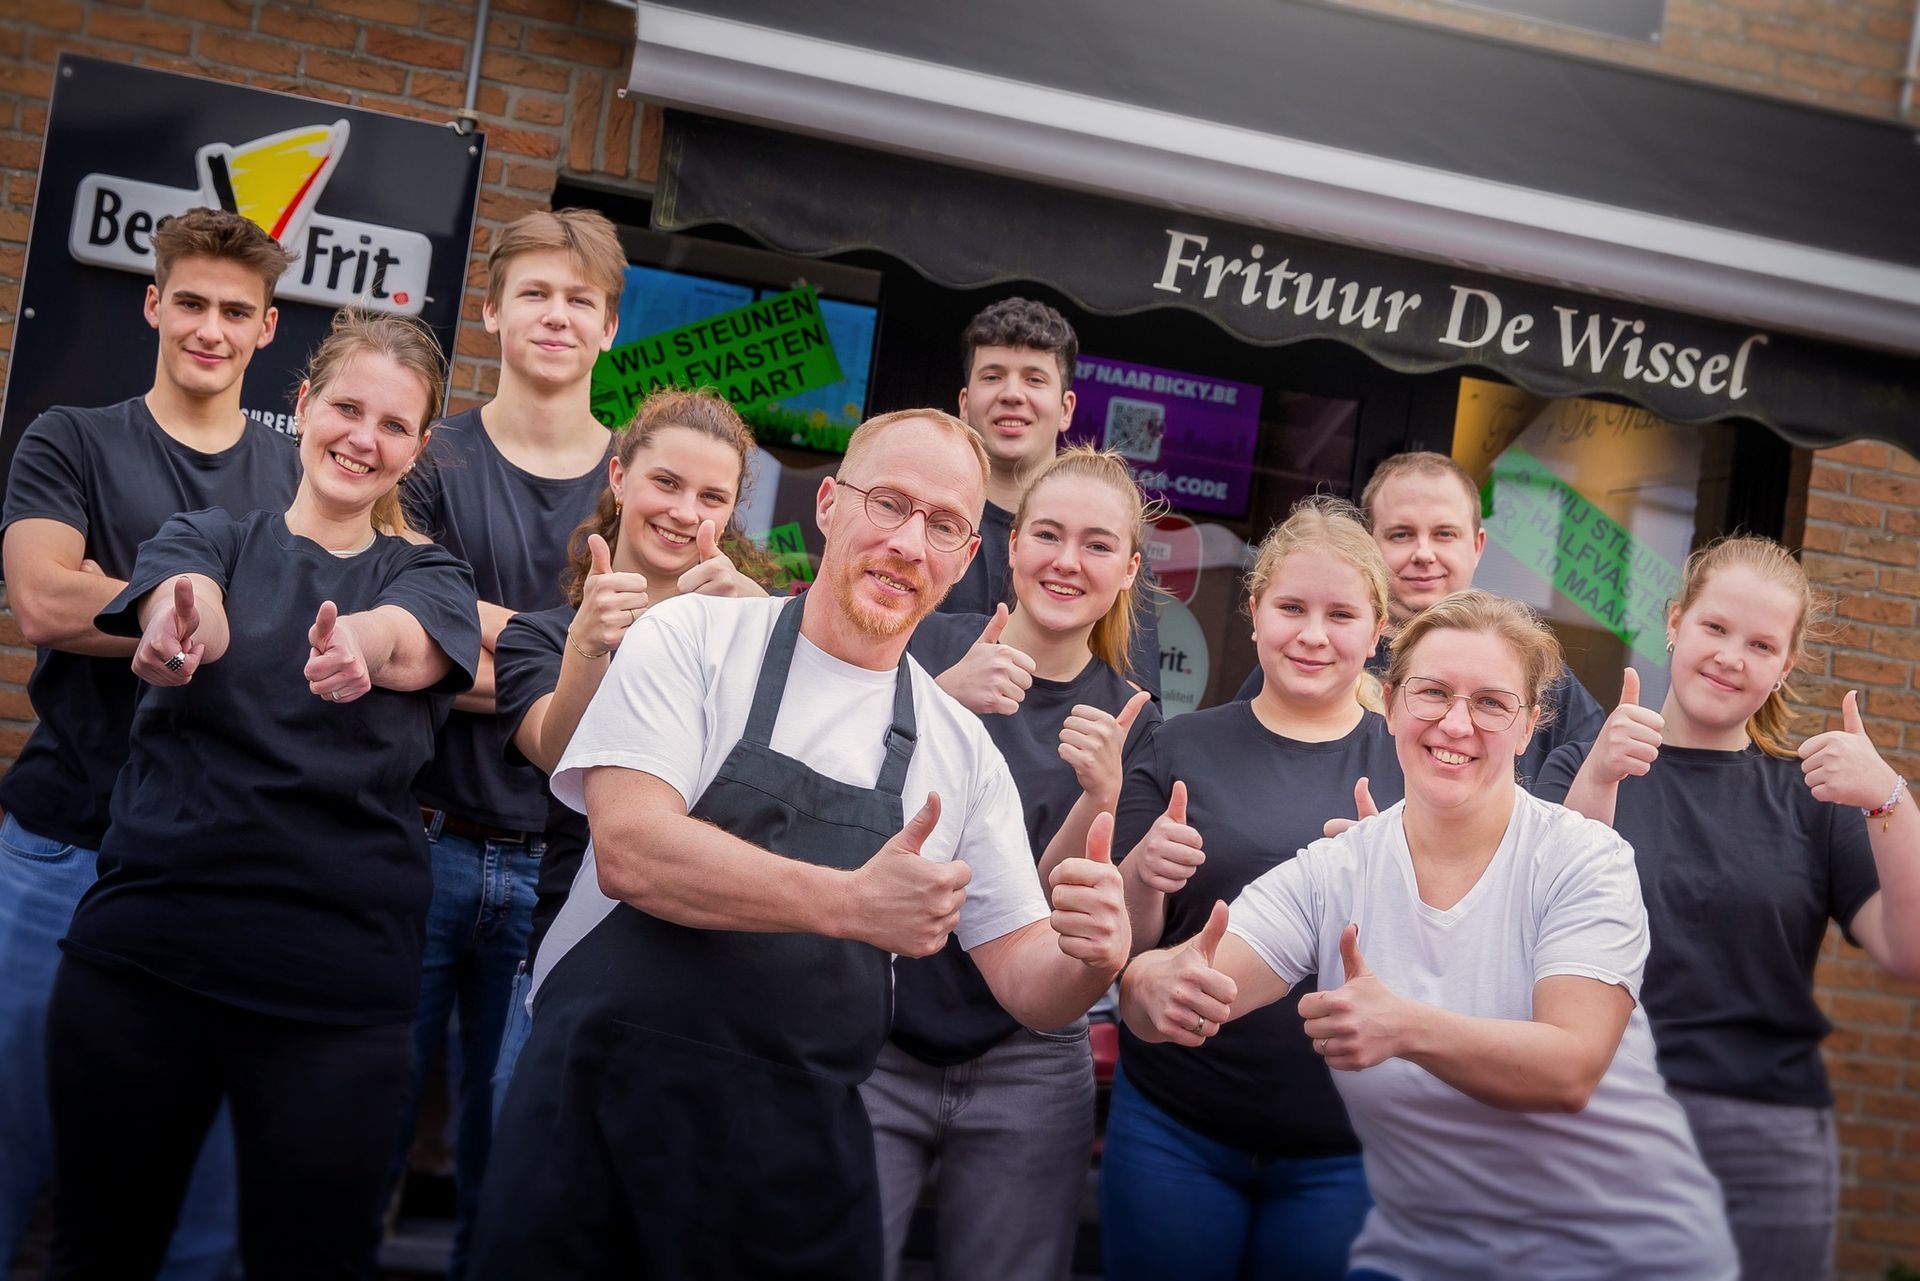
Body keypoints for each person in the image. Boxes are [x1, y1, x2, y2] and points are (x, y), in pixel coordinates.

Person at [469, 409, 1131, 1280]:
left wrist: (1092, 957)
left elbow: (1029, 983)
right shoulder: (691, 640)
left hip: (794, 1161)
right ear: (827, 504)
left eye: (942, 525)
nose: (907, 543)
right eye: (888, 503)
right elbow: (633, 849)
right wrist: (852, 903)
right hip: (595, 1117)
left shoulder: (958, 748)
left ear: (968, 556)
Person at [42, 310, 481, 1280]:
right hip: (144, 967)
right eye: (346, 407)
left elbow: (403, 640)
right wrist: (174, 626)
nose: (363, 438)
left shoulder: (430, 576)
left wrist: (356, 647)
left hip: (332, 997)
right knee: (98, 1251)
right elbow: (185, 596)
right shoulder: (210, 533)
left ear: (416, 447)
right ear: (304, 405)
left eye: (394, 424)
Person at [1123, 589, 1737, 1280]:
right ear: (1388, 705)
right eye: (1432, 692)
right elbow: (1192, 983)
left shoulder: (1583, 859)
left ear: (1530, 724)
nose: (1456, 722)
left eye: (1491, 702)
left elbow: (1570, 1068)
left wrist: (1404, 1026)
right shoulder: (1337, 869)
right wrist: (1150, 980)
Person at [0, 207, 300, 1278]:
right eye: (191, 304)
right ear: (152, 305)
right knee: (13, 1148)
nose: (208, 329)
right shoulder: (71, 438)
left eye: (235, 311)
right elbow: (41, 599)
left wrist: (133, 601)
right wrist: (206, 606)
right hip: (63, 849)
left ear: (269, 329)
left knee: (208, 1211)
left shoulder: (296, 477)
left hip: (225, 876)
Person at [1535, 536, 1920, 1281]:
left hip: (1765, 1143)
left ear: (1786, 664)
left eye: (1761, 643)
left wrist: (1890, 797)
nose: (1731, 656)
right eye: (1715, 627)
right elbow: (1538, 919)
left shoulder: (1815, 796)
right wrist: (1598, 781)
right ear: (1675, 621)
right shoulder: (1585, 760)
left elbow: (1909, 951)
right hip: (1598, 1117)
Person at [392, 208, 624, 1274]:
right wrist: (577, 651)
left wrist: (475, 640)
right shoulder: (426, 461)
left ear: (610, 328)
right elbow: (409, 635)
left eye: (580, 298)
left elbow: (664, 673)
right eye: (535, 292)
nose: (556, 315)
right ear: (490, 311)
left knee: (515, 1161)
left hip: (568, 871)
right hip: (417, 844)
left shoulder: (640, 479)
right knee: (358, 1135)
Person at [867, 446, 1159, 1281]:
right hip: (877, 1028)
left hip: (1026, 1054)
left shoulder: (1130, 715)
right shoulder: (920, 640)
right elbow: (842, 812)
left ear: (1129, 568)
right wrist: (938, 698)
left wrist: (1099, 799)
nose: (1068, 563)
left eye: (1098, 545)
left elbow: (1043, 914)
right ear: (1012, 542)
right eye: (1049, 535)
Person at [1100, 496, 1396, 1281]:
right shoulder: (1177, 743)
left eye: (1341, 614)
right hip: (1176, 1127)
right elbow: (1120, 950)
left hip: (1352, 1151)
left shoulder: (1413, 767)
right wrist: (1139, 875)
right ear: (1256, 609)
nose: (1312, 633)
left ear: (1377, 629)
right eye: (1292, 606)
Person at [488, 387, 780, 1108]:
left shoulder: (763, 628)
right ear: (620, 478)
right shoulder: (543, 634)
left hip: (711, 983)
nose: (686, 512)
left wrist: (767, 640)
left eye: (712, 496)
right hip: (572, 960)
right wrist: (588, 644)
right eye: (667, 483)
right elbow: (555, 753)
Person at [1236, 451, 1602, 782]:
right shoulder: (1315, 660)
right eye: (1401, 534)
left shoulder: (1529, 671)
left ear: (1477, 546)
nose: (1424, 553)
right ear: (1370, 545)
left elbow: (1598, 780)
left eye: (1444, 534)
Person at [943, 297, 1160, 700]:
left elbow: (1132, 701)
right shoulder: (928, 525)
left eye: (1034, 379)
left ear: (1066, 409)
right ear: (963, 405)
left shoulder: (1111, 552)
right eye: (992, 376)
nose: (1012, 394)